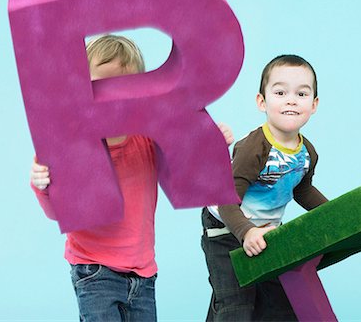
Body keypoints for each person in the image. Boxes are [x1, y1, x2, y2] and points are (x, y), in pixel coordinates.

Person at [30, 34, 234, 322]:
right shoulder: (72, 147)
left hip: (143, 273)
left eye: (125, 88)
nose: (114, 97)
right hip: (94, 269)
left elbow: (185, 165)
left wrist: (211, 143)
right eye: (102, 86)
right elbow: (57, 212)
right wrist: (43, 184)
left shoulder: (147, 139)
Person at [201, 54, 329, 321]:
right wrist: (246, 233)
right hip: (225, 227)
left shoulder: (307, 153)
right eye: (280, 92)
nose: (291, 100)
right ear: (262, 101)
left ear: (314, 104)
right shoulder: (254, 149)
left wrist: (334, 213)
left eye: (302, 94)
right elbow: (226, 200)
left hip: (267, 232)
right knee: (236, 305)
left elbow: (302, 191)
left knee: (280, 307)